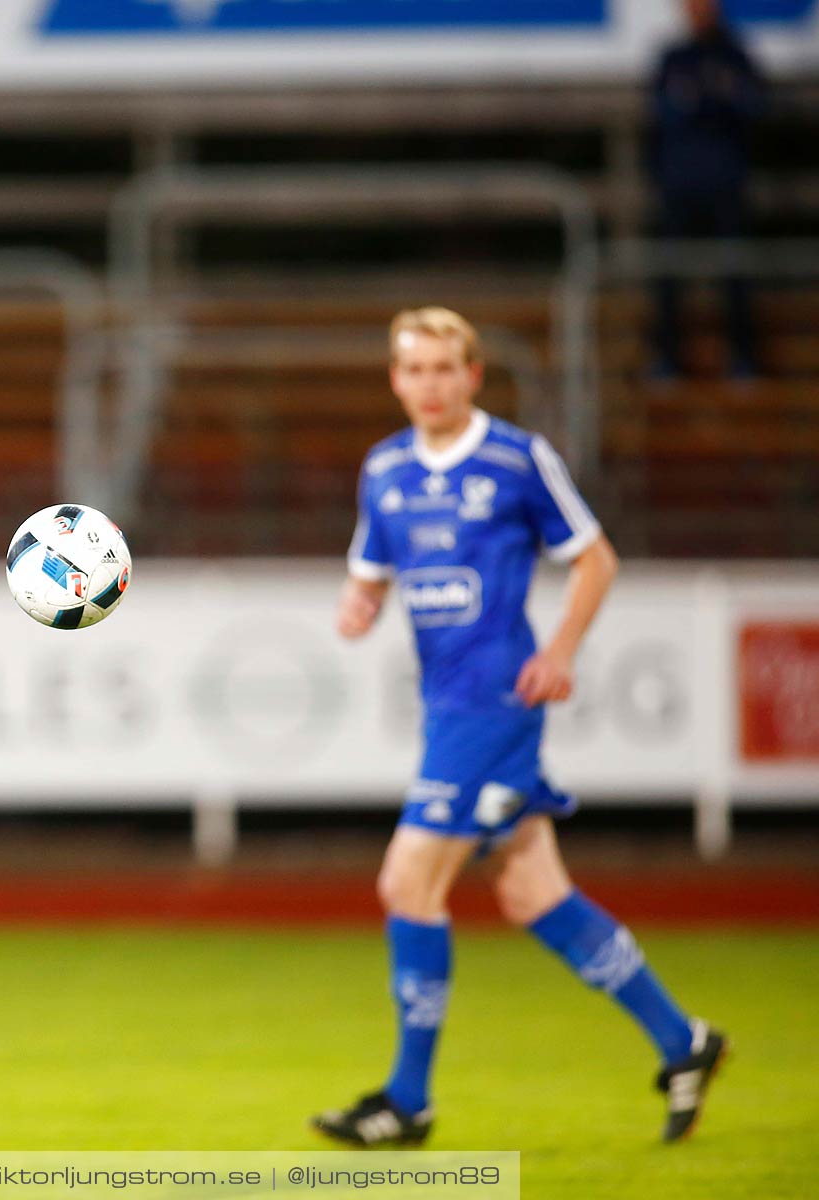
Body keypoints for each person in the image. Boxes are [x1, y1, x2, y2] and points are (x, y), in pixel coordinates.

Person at [311, 308, 726, 1147]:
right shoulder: (385, 468)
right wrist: (361, 605)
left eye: (443, 368)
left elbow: (595, 558)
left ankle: (407, 1099)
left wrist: (564, 648)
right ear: (395, 380)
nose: (428, 384)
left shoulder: (514, 458)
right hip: (446, 708)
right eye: (413, 369)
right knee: (535, 892)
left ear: (472, 377)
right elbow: (374, 575)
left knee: (406, 884)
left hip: (499, 705)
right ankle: (684, 1043)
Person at [647, 0, 768, 379]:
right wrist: (712, 97)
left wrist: (704, 100)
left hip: (725, 181)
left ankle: (743, 357)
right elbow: (663, 114)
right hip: (679, 182)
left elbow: (751, 108)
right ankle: (667, 359)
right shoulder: (674, 57)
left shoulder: (736, 56)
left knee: (735, 272)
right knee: (669, 274)